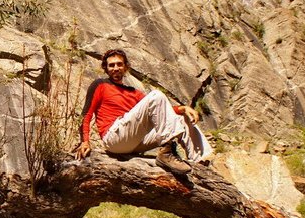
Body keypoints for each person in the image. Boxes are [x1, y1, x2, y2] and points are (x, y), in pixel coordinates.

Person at [74, 49, 211, 174]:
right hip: (114, 138)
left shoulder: (134, 92)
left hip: (135, 141)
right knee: (156, 95)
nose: (116, 68)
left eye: (119, 64)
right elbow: (86, 114)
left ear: (126, 67)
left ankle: (200, 164)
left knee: (182, 119)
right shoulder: (100, 85)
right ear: (106, 68)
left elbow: (161, 110)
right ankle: (167, 151)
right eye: (111, 65)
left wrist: (183, 109)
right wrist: (85, 141)